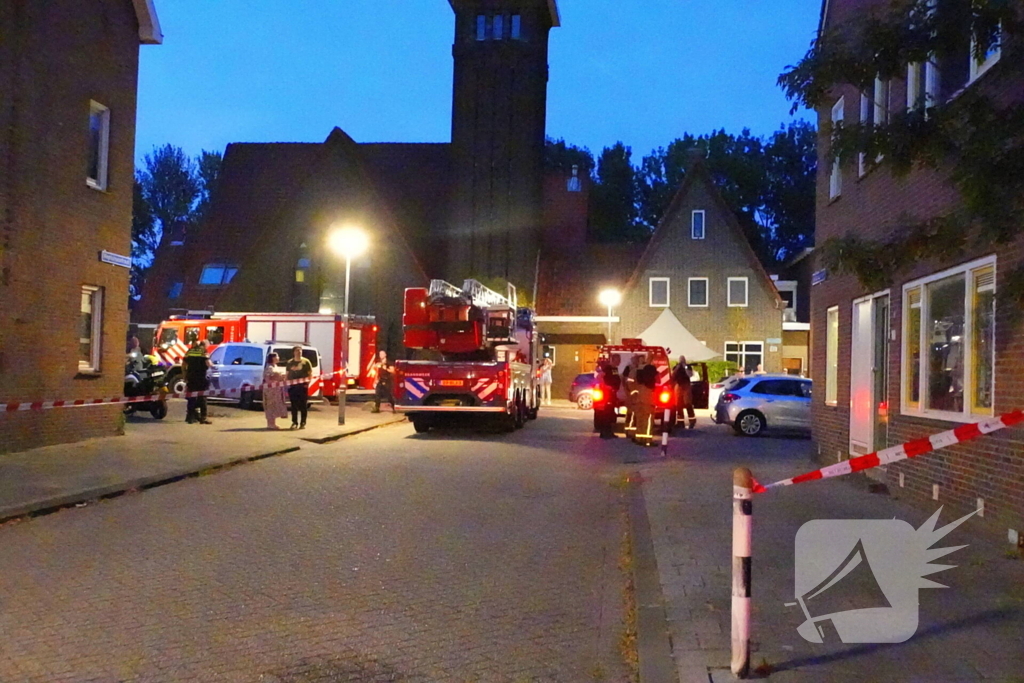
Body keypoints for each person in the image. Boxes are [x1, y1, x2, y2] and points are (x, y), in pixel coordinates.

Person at [183, 341, 212, 424]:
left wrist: (185, 376)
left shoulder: (189, 351)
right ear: (205, 345)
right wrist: (212, 365)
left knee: (191, 397)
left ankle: (190, 417)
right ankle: (203, 418)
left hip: (191, 377)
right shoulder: (204, 352)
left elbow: (183, 365)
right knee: (202, 398)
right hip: (201, 378)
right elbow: (208, 363)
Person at [285, 346, 313, 429]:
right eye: (297, 351)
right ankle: (294, 422)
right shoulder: (290, 362)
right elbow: (287, 374)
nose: (299, 352)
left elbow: (310, 374)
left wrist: (307, 383)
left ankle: (303, 422)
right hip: (293, 387)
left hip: (302, 386)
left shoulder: (306, 362)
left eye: (300, 351)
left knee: (303, 405)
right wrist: (287, 383)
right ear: (294, 352)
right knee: (294, 405)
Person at [262, 352, 288, 430]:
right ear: (272, 358)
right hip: (270, 390)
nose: (278, 358)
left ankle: (273, 423)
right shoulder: (269, 367)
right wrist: (276, 380)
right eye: (277, 356)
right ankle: (270, 424)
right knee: (270, 405)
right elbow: (267, 378)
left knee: (275, 406)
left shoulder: (275, 366)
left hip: (276, 389)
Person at [633, 365, 657, 446]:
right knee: (649, 421)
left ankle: (639, 438)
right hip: (648, 404)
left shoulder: (641, 383)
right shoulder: (649, 385)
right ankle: (647, 440)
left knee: (640, 420)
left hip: (639, 402)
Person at [672, 354, 697, 430]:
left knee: (688, 404)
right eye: (680, 360)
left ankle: (692, 421)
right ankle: (680, 422)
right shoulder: (676, 367)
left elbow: (690, 374)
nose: (681, 361)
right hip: (678, 386)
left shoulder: (688, 367)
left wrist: (685, 367)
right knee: (678, 405)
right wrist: (678, 367)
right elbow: (673, 375)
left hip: (686, 386)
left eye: (682, 360)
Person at [598, 364, 621, 439]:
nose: (619, 361)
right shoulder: (608, 368)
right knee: (607, 415)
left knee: (611, 415)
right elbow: (599, 376)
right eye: (617, 359)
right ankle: (605, 432)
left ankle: (609, 432)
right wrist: (606, 386)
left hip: (612, 394)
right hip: (608, 394)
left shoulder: (614, 369)